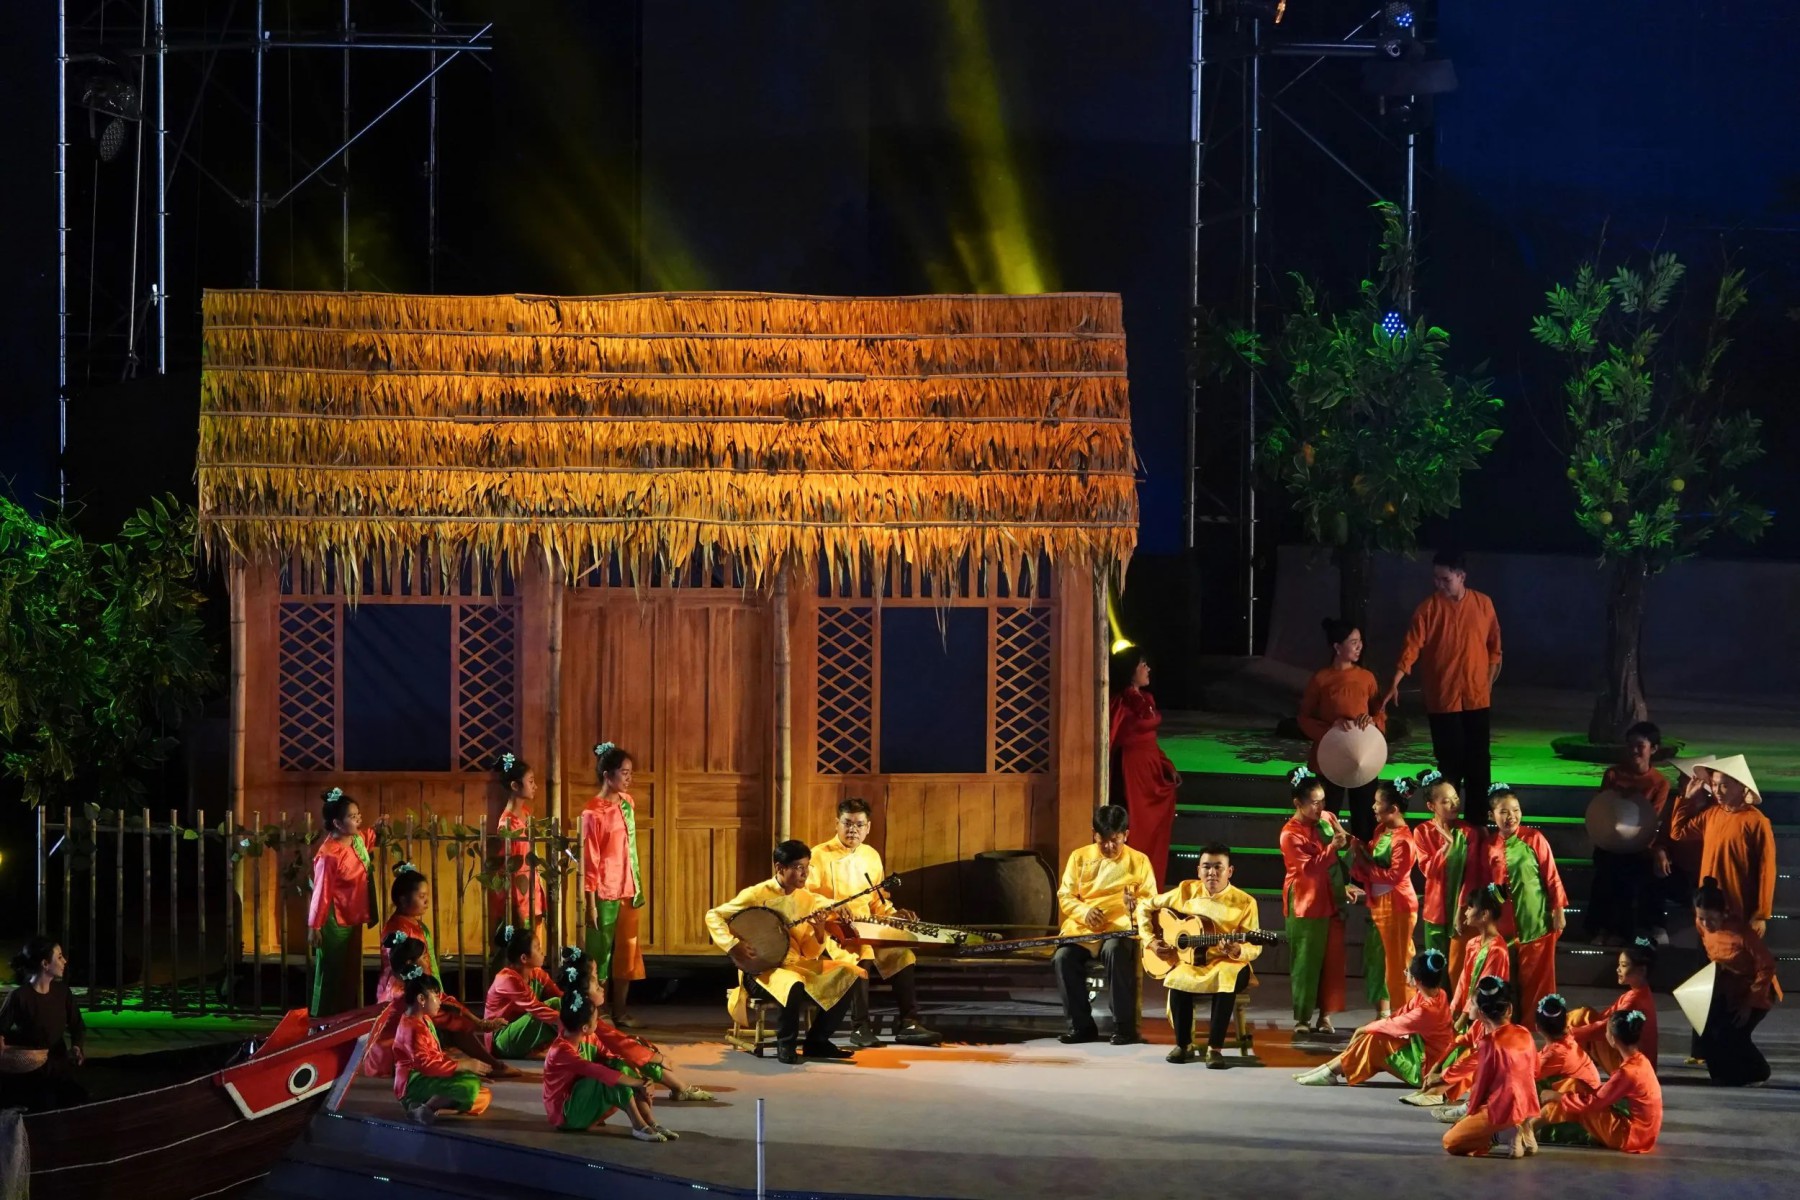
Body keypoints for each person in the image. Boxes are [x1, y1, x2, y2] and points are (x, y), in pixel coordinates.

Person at [705, 840, 863, 1065]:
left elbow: (809, 952)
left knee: (851, 973)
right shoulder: (756, 893)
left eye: (807, 867)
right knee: (793, 982)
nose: (805, 874)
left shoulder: (806, 899)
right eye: (798, 868)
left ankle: (817, 1041)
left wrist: (819, 931)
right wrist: (732, 945)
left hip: (795, 964)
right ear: (779, 868)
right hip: (761, 969)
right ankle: (786, 1044)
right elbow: (713, 915)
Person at [806, 797, 942, 1047]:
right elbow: (805, 896)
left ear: (868, 827)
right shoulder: (818, 855)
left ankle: (909, 1023)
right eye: (847, 823)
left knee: (901, 952)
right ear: (836, 823)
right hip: (833, 927)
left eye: (859, 825)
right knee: (862, 953)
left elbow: (878, 902)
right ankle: (860, 1027)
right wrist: (833, 905)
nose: (852, 830)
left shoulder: (871, 856)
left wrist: (894, 914)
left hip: (868, 925)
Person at [1380, 549, 1503, 808]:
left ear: (1461, 576)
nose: (1439, 584)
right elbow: (1411, 646)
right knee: (1449, 761)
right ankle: (1447, 819)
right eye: (1436, 578)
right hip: (1443, 698)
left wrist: (1487, 682)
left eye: (1445, 579)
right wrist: (1396, 681)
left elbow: (1494, 648)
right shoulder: (1428, 609)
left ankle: (1477, 821)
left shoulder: (1483, 604)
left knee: (1479, 761)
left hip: (1476, 697)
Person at [1139, 843, 1262, 1067]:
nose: (1212, 873)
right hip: (1193, 961)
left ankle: (1215, 1049)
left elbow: (1255, 947)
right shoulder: (1186, 891)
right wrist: (1150, 941)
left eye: (1218, 867)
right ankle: (1183, 1045)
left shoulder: (1245, 902)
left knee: (1226, 976)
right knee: (1177, 977)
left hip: (1228, 961)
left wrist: (1237, 949)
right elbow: (1145, 906)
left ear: (1229, 871)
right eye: (1206, 867)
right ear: (1198, 870)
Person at [1053, 804, 1157, 1045]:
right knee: (1062, 958)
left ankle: (1124, 1027)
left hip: (1119, 928)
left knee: (1115, 951)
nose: (1109, 847)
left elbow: (1151, 900)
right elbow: (1065, 895)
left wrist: (1134, 905)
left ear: (1125, 835)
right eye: (1103, 841)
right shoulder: (1079, 857)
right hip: (1084, 927)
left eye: (1115, 841)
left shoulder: (1139, 861)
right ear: (1094, 835)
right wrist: (1084, 912)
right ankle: (1081, 1027)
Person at [1400, 884, 1510, 1110]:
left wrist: (1464, 1017)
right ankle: (1434, 1089)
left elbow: (1483, 989)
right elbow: (1463, 982)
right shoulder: (1473, 944)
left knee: (1468, 1054)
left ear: (1484, 914)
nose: (1466, 912)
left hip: (1486, 1016)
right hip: (1472, 1012)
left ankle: (1438, 1092)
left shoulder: (1497, 950)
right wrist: (1453, 1010)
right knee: (1455, 1048)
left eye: (1470, 907)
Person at [557, 949, 714, 1102]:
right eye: (595, 980)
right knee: (631, 1057)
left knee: (637, 1049)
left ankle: (676, 1088)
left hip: (590, 1065)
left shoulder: (577, 1009)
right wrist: (658, 1058)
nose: (601, 987)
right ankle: (676, 1090)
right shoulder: (585, 1020)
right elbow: (621, 1045)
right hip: (582, 1079)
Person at [1293, 949, 1453, 1088]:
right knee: (1375, 1036)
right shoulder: (1438, 995)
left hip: (1428, 1070)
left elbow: (1392, 1024)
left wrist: (1361, 1030)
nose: (1406, 974)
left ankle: (1330, 1070)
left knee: (1376, 1040)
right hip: (1425, 1055)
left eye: (1407, 972)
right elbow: (1397, 1016)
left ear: (1416, 980)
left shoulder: (1426, 1011)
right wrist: (1365, 1031)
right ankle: (1329, 1068)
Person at [1280, 769, 1361, 1035]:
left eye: (1322, 800)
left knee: (1333, 961)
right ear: (1298, 803)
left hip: (1332, 896)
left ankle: (1326, 1016)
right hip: (1306, 901)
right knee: (1305, 961)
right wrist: (1333, 848)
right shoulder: (1290, 834)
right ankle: (1303, 1017)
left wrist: (1348, 848)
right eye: (1314, 802)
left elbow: (1343, 851)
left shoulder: (1327, 818)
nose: (1320, 807)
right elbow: (1308, 869)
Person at [363, 932, 509, 1080]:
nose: (428, 960)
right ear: (410, 963)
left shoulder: (404, 981)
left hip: (401, 1047)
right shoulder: (402, 993)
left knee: (454, 1023)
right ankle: (491, 1067)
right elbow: (446, 1018)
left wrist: (480, 1022)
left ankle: (489, 1066)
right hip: (391, 1056)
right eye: (424, 957)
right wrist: (481, 1026)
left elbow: (446, 1000)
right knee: (455, 1028)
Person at [1584, 722, 1679, 947]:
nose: (1634, 750)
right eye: (1630, 745)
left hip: (1640, 843)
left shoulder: (1659, 782)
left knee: (1634, 871)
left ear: (1653, 749)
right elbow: (1601, 807)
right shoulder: (1614, 774)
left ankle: (1630, 930)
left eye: (1640, 746)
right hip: (1610, 839)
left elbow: (1652, 819)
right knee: (1608, 867)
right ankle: (1600, 928)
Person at [1484, 785, 1566, 1031]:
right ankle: (1507, 1027)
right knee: (1506, 978)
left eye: (1516, 810)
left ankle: (1534, 1028)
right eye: (1503, 811)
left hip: (1535, 920)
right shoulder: (1489, 845)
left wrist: (1558, 909)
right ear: (1491, 816)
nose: (1511, 816)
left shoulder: (1534, 838)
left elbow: (1551, 876)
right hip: (1503, 923)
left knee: (1536, 980)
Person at [1298, 619, 1388, 842]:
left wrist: (1372, 721)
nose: (1359, 646)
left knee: (1365, 818)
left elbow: (1380, 714)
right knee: (1327, 817)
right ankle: (1326, 861)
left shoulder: (1366, 677)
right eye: (1353, 642)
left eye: (1360, 642)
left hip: (1362, 757)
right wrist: (1331, 728)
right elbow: (1304, 718)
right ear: (1337, 647)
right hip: (1330, 757)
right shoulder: (1321, 679)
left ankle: (1363, 861)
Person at [1691, 876, 1783, 1087]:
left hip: (1756, 991)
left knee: (1733, 1033)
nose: (1705, 924)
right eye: (1701, 918)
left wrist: (1749, 1003)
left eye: (1710, 919)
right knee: (1709, 1030)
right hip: (1728, 989)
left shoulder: (1742, 934)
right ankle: (1722, 1075)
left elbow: (1767, 967)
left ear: (1723, 913)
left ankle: (1758, 1071)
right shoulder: (1702, 926)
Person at [1670, 755, 1776, 936]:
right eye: (1714, 784)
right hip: (1708, 907)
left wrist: (1761, 914)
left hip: (1738, 907)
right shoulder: (1712, 814)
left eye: (1724, 785)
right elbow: (1678, 833)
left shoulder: (1756, 822)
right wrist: (1686, 799)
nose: (1717, 791)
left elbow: (1767, 869)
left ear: (1741, 787)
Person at [1529, 1010, 1663, 1154]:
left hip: (1630, 1136)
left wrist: (1556, 1096)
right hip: (1645, 1133)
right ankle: (1533, 1125)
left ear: (1613, 1039)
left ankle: (1531, 1126)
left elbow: (1593, 1103)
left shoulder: (1627, 1072)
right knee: (1575, 1087)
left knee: (1572, 1093)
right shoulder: (1641, 1061)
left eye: (1606, 1032)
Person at [582, 742, 647, 1028]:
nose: (629, 778)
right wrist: (590, 903)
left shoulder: (627, 803)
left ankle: (621, 1010)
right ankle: (601, 1010)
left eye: (630, 772)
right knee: (601, 954)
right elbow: (589, 860)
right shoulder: (592, 813)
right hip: (605, 891)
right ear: (607, 775)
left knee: (627, 953)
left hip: (629, 888)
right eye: (624, 772)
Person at [542, 990, 666, 1142]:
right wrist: (638, 1083)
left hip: (584, 1100)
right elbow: (599, 1072)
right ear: (585, 1027)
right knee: (609, 1077)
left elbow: (612, 1058)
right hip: (566, 1115)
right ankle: (638, 1125)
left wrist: (643, 1081)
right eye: (596, 1019)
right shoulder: (561, 1051)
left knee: (619, 1065)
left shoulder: (589, 1038)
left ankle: (649, 1121)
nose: (599, 1022)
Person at [1442, 976, 1537, 1159]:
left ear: (1481, 1013)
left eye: (1472, 1004)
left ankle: (1503, 1134)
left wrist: (1470, 1113)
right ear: (1509, 1009)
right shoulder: (1525, 1033)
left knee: (1450, 1141)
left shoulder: (1488, 1043)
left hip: (1501, 1107)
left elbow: (1481, 1086)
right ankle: (1521, 1127)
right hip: (1526, 1105)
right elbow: (1536, 1070)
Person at [1405, 771, 1484, 987]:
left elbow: (1472, 875)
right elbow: (1428, 871)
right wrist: (1446, 847)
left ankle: (1458, 1007)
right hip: (1435, 911)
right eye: (1446, 801)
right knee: (1435, 969)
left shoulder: (1468, 832)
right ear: (1431, 806)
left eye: (1456, 798)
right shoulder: (1422, 832)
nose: (1454, 804)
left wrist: (1461, 908)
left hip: (1463, 910)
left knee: (1459, 969)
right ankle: (1437, 1006)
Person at [308, 787, 379, 1016]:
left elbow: (368, 838)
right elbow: (321, 891)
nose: (358, 819)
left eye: (358, 814)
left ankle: (344, 1017)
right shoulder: (329, 854)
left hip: (354, 914)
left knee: (350, 969)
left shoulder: (356, 840)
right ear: (337, 823)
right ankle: (322, 1019)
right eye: (352, 816)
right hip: (334, 918)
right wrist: (315, 926)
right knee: (331, 970)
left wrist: (379, 827)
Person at [1109, 653, 1179, 885]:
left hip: (1151, 769)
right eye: (1143, 665)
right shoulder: (1119, 702)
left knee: (1154, 828)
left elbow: (1150, 739)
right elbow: (1110, 737)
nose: (1148, 669)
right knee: (1135, 827)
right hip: (1132, 770)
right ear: (1131, 670)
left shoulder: (1147, 698)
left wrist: (1165, 763)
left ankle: (1150, 882)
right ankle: (1130, 883)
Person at [1351, 781, 1417, 1018]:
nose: (1373, 807)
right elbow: (1371, 860)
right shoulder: (1381, 830)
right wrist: (1357, 852)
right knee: (1377, 959)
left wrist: (1362, 861)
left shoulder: (1404, 840)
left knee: (1398, 962)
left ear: (1394, 809)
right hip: (1379, 903)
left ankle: (1404, 1014)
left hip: (1397, 905)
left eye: (1378, 803)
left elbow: (1393, 876)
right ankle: (1383, 1013)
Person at [0, 937, 87, 1111]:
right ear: (45, 964)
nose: (65, 961)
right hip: (29, 1068)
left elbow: (77, 1025)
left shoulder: (63, 993)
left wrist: (77, 1046)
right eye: (59, 957)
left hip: (57, 1065)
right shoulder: (19, 997)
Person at [394, 973, 493, 1125]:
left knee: (482, 1094)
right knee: (469, 1087)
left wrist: (463, 1072)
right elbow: (426, 1065)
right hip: (414, 1082)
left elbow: (435, 1057)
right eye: (436, 996)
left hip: (429, 1076)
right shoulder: (411, 1028)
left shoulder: (424, 1019)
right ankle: (426, 1108)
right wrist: (463, 1065)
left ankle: (423, 1105)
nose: (439, 1002)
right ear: (421, 999)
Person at [1568, 940, 1659, 1075]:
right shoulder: (1637, 993)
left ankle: (1570, 1064)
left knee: (1581, 1020)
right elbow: (1605, 1016)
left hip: (1632, 1067)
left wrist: (1569, 1034)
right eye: (1619, 965)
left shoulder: (1635, 999)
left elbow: (1606, 1026)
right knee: (1584, 1015)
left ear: (1641, 970)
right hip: (1638, 1063)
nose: (1618, 969)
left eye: (1624, 965)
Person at [494, 750, 550, 960]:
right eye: (531, 781)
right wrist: (518, 906)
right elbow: (512, 870)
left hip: (532, 889)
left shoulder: (525, 814)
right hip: (520, 895)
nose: (535, 786)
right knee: (523, 950)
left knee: (535, 947)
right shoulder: (507, 824)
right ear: (515, 786)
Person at [485, 923, 564, 1058]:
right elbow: (536, 1008)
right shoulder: (507, 979)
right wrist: (571, 1021)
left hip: (522, 1031)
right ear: (524, 958)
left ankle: (540, 1050)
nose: (542, 952)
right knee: (552, 1008)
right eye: (537, 948)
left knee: (561, 1004)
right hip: (501, 1039)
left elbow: (560, 998)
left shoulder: (538, 974)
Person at [1533, 994, 1600, 1095]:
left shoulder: (1557, 1053)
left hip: (1586, 1097)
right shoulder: (1567, 1037)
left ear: (1537, 1027)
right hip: (1589, 1087)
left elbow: (1529, 1076)